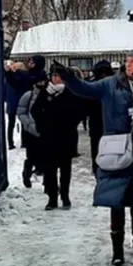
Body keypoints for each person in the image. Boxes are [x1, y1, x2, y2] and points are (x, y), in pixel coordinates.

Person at [54, 48, 133, 266]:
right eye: (127, 61)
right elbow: (85, 89)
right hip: (115, 150)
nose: (128, 64)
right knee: (116, 199)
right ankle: (117, 250)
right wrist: (68, 76)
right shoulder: (110, 84)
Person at [31, 66, 84, 210]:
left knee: (65, 169)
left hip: (66, 137)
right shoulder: (44, 93)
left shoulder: (71, 93)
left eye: (59, 76)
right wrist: (42, 126)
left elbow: (80, 111)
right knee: (50, 170)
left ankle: (65, 196)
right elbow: (34, 110)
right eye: (54, 76)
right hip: (49, 137)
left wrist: (71, 123)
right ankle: (52, 198)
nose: (56, 78)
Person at [16, 72, 48, 188]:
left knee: (47, 156)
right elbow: (21, 113)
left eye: (44, 81)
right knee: (31, 157)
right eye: (40, 82)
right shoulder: (28, 96)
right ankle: (27, 174)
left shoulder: (49, 95)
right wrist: (29, 125)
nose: (42, 84)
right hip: (31, 132)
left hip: (45, 131)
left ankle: (47, 180)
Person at [86, 60, 114, 175]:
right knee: (98, 153)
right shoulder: (92, 86)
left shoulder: (115, 85)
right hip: (98, 125)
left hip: (111, 127)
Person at [4, 61, 27, 149]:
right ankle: (24, 142)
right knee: (23, 123)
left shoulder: (11, 77)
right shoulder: (24, 77)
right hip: (20, 102)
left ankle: (10, 143)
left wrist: (8, 72)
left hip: (12, 103)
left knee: (11, 124)